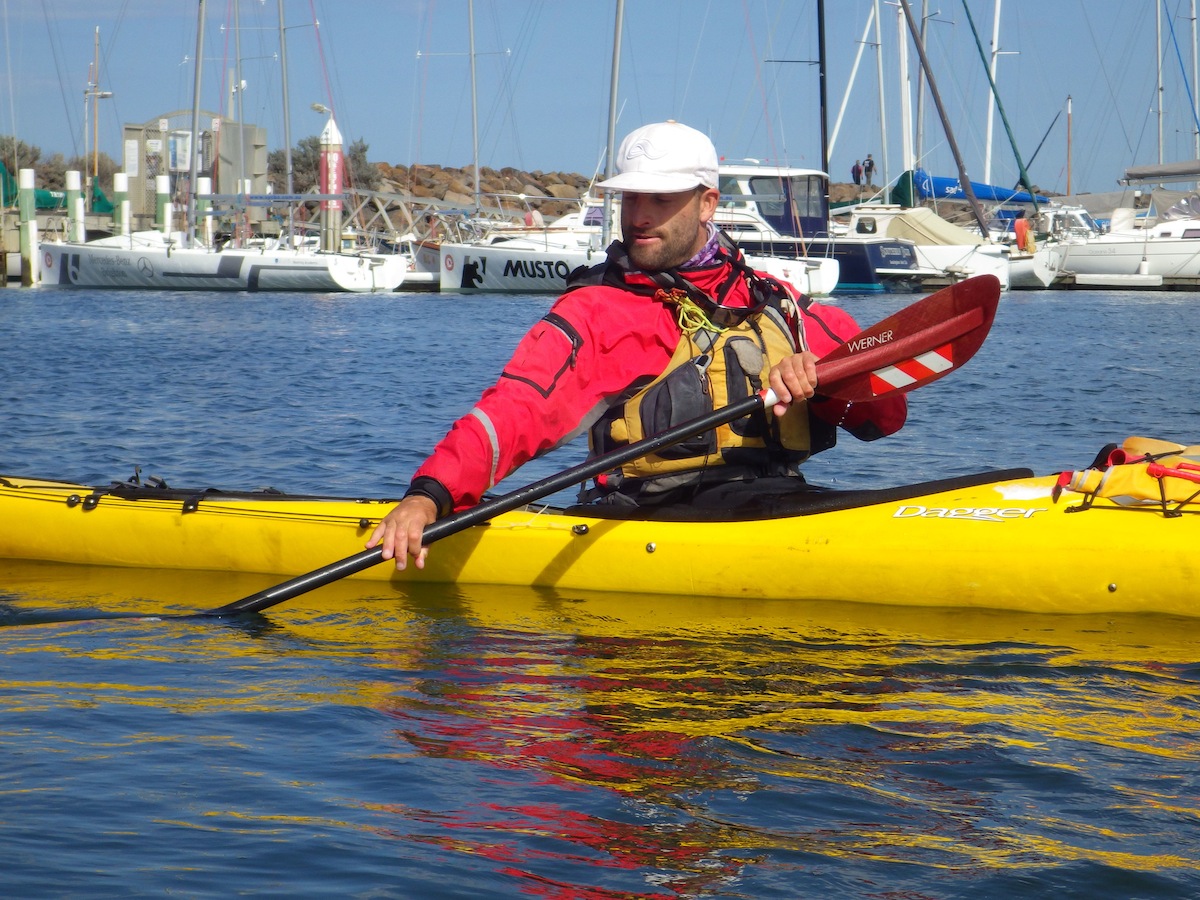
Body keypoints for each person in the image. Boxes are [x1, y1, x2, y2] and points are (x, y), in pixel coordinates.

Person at [369, 121, 906, 569]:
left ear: (707, 204)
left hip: (781, 504)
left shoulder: (777, 302)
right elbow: (514, 409)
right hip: (653, 522)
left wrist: (830, 384)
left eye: (660, 199)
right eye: (630, 197)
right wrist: (430, 494)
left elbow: (886, 415)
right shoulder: (597, 312)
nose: (639, 215)